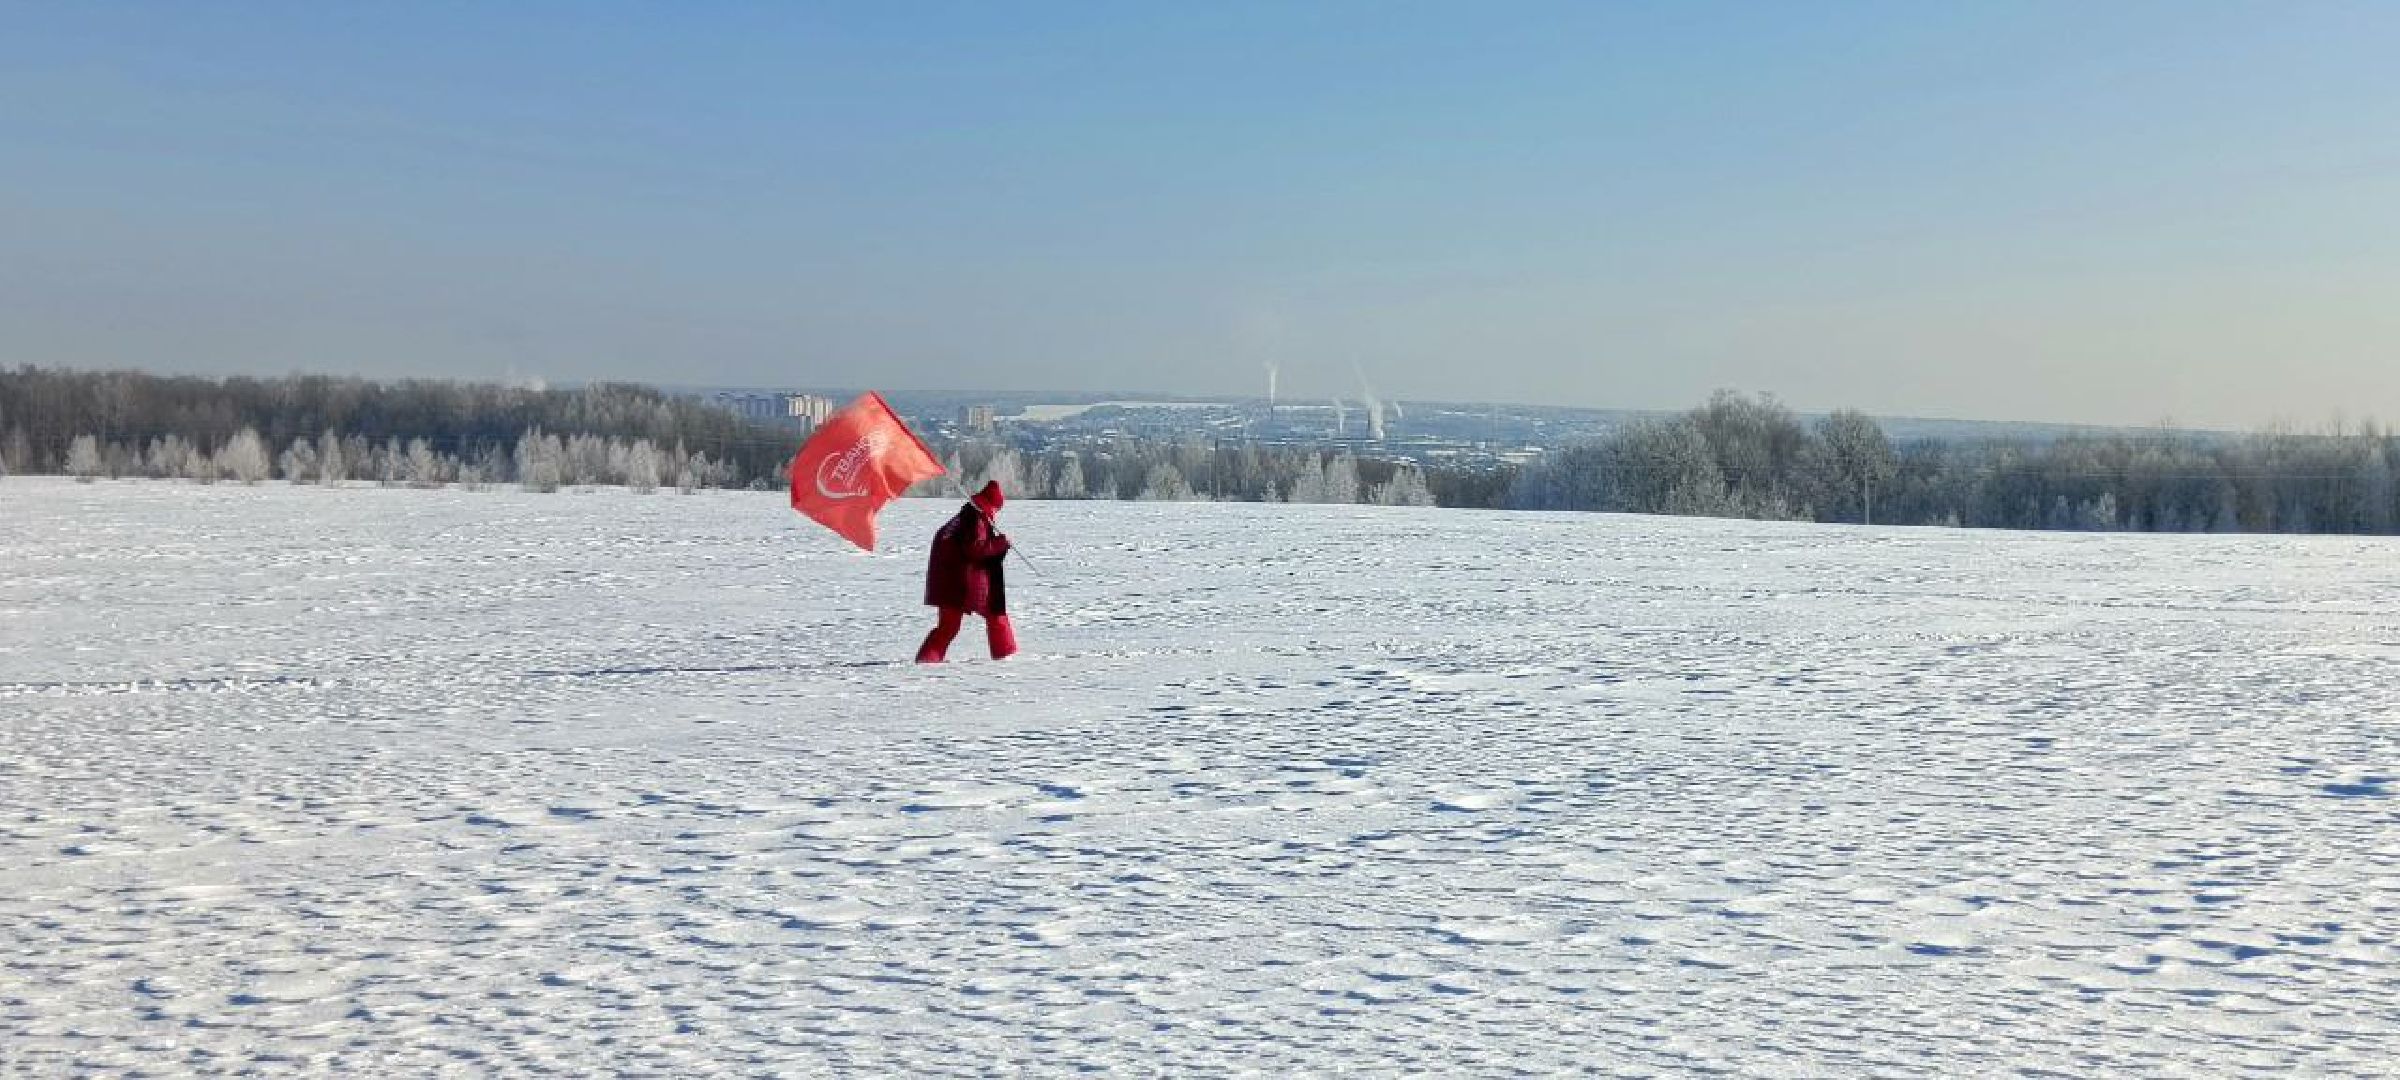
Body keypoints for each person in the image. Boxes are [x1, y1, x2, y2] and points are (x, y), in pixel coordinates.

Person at [916, 480, 1018, 663]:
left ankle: (927, 660)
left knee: (948, 626)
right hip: (960, 582)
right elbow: (975, 549)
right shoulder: (975, 518)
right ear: (993, 505)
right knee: (995, 613)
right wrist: (1000, 544)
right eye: (997, 509)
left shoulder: (964, 517)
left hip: (947, 580)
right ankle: (1005, 657)